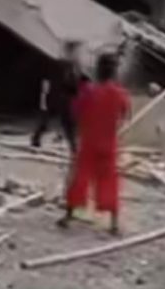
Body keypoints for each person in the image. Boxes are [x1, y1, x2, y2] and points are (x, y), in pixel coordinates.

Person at [58, 53, 130, 235]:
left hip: (89, 142)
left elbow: (75, 112)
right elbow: (125, 115)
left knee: (80, 179)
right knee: (109, 181)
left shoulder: (89, 91)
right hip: (109, 144)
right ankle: (113, 224)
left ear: (98, 70)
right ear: (114, 72)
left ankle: (68, 216)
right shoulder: (120, 93)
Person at [32, 41, 83, 152]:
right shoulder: (67, 65)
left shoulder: (66, 64)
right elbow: (69, 82)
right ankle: (73, 147)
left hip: (57, 96)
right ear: (71, 52)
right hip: (62, 97)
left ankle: (36, 139)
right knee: (67, 124)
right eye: (76, 51)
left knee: (52, 121)